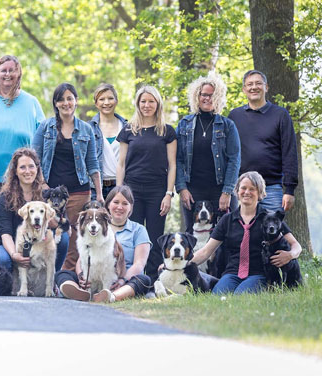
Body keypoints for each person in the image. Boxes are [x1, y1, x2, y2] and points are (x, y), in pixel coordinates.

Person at [191, 171, 302, 295]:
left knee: (240, 296)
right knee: (217, 296)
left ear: (260, 193)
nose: (247, 192)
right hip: (232, 273)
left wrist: (290, 255)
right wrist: (181, 264)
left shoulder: (270, 218)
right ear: (237, 191)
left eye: (252, 189)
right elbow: (206, 251)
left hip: (259, 274)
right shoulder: (227, 220)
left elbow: (296, 246)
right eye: (243, 188)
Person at [0, 55, 45, 248]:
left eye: (12, 70)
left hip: (22, 182)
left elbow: (42, 142)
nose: (7, 74)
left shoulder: (31, 103)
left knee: (19, 232)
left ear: (19, 73)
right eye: (3, 70)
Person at [33, 83, 102, 271]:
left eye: (70, 98)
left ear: (76, 101)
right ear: (56, 103)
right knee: (49, 234)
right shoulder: (45, 127)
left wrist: (100, 194)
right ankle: (47, 275)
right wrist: (43, 185)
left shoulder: (86, 130)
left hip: (79, 192)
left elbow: (93, 164)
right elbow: (34, 160)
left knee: (74, 238)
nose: (66, 103)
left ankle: (66, 278)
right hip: (50, 195)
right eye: (61, 99)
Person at [117, 85, 176, 278]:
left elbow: (172, 164)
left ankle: (152, 279)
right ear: (137, 103)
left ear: (158, 103)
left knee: (154, 237)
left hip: (157, 192)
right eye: (143, 101)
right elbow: (122, 163)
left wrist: (169, 194)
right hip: (131, 191)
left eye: (151, 101)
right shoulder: (128, 130)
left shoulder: (166, 131)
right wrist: (119, 192)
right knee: (132, 236)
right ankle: (131, 277)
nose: (147, 105)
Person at [58, 185, 152, 302]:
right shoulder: (94, 227)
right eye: (116, 202)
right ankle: (80, 292)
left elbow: (139, 264)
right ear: (108, 205)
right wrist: (81, 275)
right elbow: (81, 259)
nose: (119, 207)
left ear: (131, 207)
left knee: (144, 279)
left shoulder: (138, 230)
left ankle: (112, 296)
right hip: (91, 276)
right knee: (63, 274)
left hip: (124, 280)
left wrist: (123, 280)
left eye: (125, 203)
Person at [176, 73, 241, 230]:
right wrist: (182, 188)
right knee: (192, 235)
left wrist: (227, 192)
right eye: (204, 94)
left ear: (219, 98)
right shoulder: (184, 124)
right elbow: (177, 159)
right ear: (197, 96)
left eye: (213, 95)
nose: (208, 98)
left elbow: (234, 159)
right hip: (192, 192)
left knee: (227, 235)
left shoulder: (227, 125)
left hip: (220, 190)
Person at [228, 70, 298, 213]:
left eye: (258, 83)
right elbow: (228, 153)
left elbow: (289, 153)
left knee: (272, 234)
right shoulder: (234, 116)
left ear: (266, 87)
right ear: (244, 89)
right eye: (250, 84)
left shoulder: (281, 115)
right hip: (242, 190)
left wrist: (289, 190)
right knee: (242, 234)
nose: (254, 87)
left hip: (271, 189)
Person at [0, 148, 68, 271]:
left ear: (37, 169)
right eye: (22, 167)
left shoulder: (48, 195)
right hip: (10, 243)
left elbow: (64, 227)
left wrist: (53, 222)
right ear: (15, 171)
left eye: (31, 166)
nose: (27, 171)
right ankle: (9, 286)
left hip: (38, 243)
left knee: (63, 238)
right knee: (1, 258)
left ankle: (52, 279)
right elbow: (6, 233)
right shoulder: (6, 197)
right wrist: (14, 254)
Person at [89, 83, 127, 200]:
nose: (106, 102)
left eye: (110, 98)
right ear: (96, 103)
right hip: (95, 188)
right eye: (102, 99)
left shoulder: (127, 127)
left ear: (116, 101)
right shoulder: (88, 128)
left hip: (122, 186)